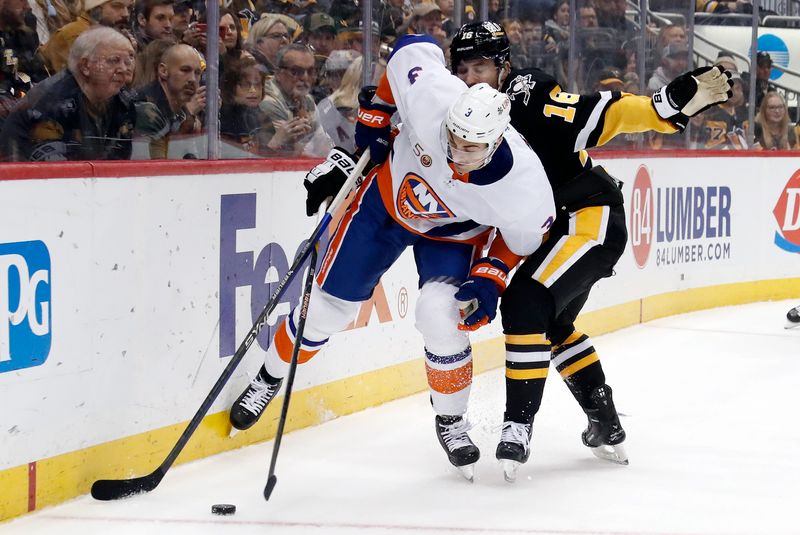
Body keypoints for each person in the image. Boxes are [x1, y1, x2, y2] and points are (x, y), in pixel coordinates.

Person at [229, 33, 557, 481]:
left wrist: (490, 278)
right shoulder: (434, 101)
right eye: (453, 139)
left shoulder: (524, 186)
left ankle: (451, 420)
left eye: (471, 148)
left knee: (440, 315)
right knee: (325, 311)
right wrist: (377, 114)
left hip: (453, 232)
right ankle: (270, 375)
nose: (456, 153)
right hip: (386, 203)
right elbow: (411, 49)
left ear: (498, 141)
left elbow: (520, 241)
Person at [448, 22, 731, 480]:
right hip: (548, 229)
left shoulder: (527, 95)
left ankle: (517, 426)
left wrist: (665, 105)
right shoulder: (454, 110)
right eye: (461, 68)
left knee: (525, 302)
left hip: (587, 218)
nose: (470, 78)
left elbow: (598, 113)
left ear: (503, 68)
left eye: (480, 66)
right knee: (554, 324)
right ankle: (606, 422)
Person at [1, 26, 137, 161]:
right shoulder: (51, 105)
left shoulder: (123, 102)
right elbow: (57, 174)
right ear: (85, 66)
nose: (124, 69)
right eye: (114, 60)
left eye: (129, 60)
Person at [134, 43, 205, 159]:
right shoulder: (147, 108)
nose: (192, 79)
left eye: (197, 73)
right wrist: (188, 117)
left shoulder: (180, 110)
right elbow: (157, 169)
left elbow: (191, 160)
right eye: (185, 70)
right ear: (163, 71)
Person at [38, 0, 134, 74]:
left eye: (128, 8)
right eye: (117, 6)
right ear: (96, 8)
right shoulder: (75, 34)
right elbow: (80, 85)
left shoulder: (115, 35)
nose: (126, 14)